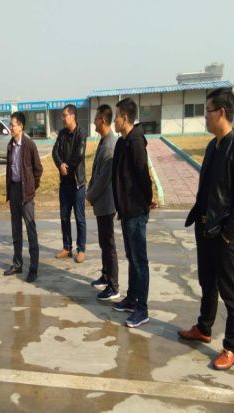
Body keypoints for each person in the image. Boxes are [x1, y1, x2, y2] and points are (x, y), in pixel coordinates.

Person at [179, 88, 234, 370]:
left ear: (221, 112)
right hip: (205, 228)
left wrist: (226, 233)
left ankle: (231, 346)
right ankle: (204, 327)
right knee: (207, 283)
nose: (205, 117)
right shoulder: (213, 146)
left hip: (224, 235)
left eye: (207, 111)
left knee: (229, 291)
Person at [111, 98, 153, 328]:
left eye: (116, 116)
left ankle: (142, 309)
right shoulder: (123, 142)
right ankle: (132, 298)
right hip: (127, 210)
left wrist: (146, 202)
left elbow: (143, 176)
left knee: (139, 260)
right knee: (131, 257)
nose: (114, 121)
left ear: (125, 118)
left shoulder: (136, 142)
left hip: (136, 210)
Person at [3, 112, 43, 283]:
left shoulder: (29, 145)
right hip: (13, 190)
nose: (10, 128)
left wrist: (31, 188)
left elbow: (38, 169)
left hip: (26, 193)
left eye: (12, 125)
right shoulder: (10, 145)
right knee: (16, 230)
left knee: (30, 230)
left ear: (21, 126)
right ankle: (17, 264)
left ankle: (33, 268)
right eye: (10, 125)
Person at [86, 104, 119, 300]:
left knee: (108, 243)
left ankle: (113, 286)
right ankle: (106, 276)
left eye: (96, 118)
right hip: (101, 202)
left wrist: (89, 195)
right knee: (103, 242)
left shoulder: (110, 145)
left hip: (106, 202)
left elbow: (104, 178)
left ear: (103, 120)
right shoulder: (104, 141)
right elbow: (96, 173)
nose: (94, 122)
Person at [52, 104, 87, 263]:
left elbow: (79, 154)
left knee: (79, 218)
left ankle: (81, 249)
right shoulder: (62, 134)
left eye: (64, 115)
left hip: (77, 183)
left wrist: (68, 168)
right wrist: (60, 165)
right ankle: (67, 247)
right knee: (64, 217)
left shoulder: (81, 133)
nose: (62, 118)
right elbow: (55, 151)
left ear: (72, 116)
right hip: (64, 183)